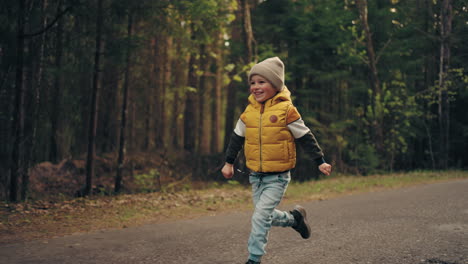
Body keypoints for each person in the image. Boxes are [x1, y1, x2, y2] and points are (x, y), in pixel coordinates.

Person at [221, 57, 332, 264]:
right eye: (252, 82)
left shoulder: (286, 110)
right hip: (256, 176)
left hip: (278, 177)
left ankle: (254, 259)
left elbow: (305, 136)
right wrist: (229, 162)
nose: (255, 87)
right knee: (266, 215)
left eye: (261, 82)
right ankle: (294, 219)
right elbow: (237, 138)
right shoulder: (249, 112)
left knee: (260, 217)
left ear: (275, 84)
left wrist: (320, 160)